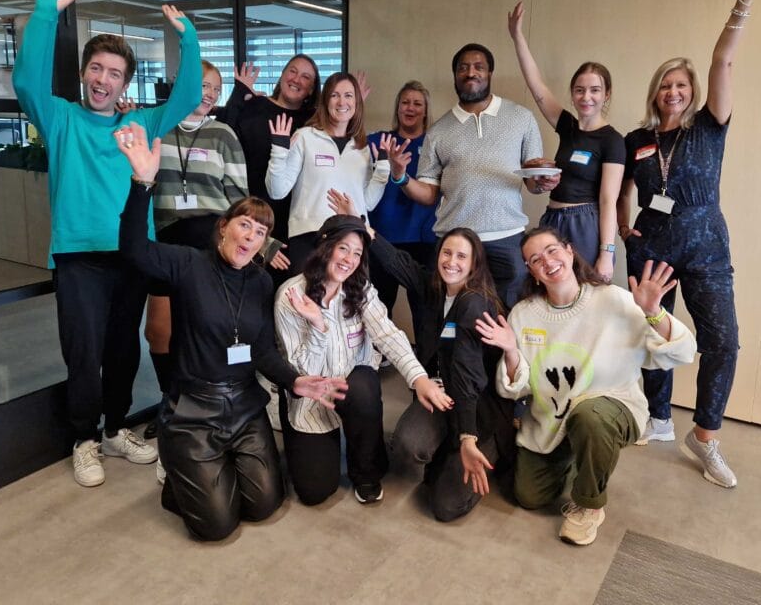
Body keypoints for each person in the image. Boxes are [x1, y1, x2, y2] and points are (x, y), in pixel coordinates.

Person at [12, 0, 202, 487]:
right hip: (77, 257)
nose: (103, 79)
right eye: (96, 68)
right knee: (84, 352)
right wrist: (46, 12)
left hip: (130, 256)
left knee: (123, 349)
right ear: (83, 74)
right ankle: (84, 439)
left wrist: (188, 37)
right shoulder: (59, 118)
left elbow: (186, 100)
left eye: (114, 73)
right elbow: (26, 79)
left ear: (125, 82)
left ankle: (117, 429)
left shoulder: (137, 124)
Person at [114, 121, 347, 541]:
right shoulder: (188, 265)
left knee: (263, 506)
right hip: (193, 410)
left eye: (261, 232)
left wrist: (297, 382)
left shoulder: (259, 282)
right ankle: (180, 476)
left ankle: (208, 472)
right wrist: (141, 183)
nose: (251, 237)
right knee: (217, 527)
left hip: (244, 406)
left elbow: (261, 351)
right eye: (245, 225)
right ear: (224, 226)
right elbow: (134, 250)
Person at [616, 0, 760, 488]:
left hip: (706, 246)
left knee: (722, 340)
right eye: (664, 85)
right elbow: (622, 190)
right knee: (653, 334)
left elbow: (723, 59)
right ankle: (655, 416)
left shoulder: (709, 127)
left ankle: (704, 436)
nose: (672, 92)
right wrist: (626, 226)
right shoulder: (637, 140)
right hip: (650, 247)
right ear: (654, 91)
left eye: (681, 85)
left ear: (692, 92)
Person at [476, 227, 696, 545]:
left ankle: (588, 505)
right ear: (531, 271)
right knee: (529, 497)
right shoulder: (524, 314)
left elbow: (682, 351)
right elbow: (514, 389)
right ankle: (578, 454)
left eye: (552, 251)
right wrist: (511, 350)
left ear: (569, 251)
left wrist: (653, 313)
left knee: (590, 415)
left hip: (611, 406)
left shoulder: (613, 299)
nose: (548, 262)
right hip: (551, 420)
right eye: (536, 259)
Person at [143, 60, 286, 429]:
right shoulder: (157, 126)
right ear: (182, 84)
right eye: (202, 84)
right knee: (159, 331)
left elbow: (241, 202)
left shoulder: (223, 134)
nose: (208, 93)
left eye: (215, 88)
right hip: (167, 241)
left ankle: (213, 397)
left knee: (204, 327)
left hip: (211, 244)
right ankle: (170, 399)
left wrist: (264, 245)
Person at [274, 214, 453, 506]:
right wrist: (318, 325)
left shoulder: (361, 290)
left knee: (364, 383)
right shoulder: (291, 296)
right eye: (343, 248)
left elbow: (388, 335)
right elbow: (300, 370)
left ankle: (366, 470)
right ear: (324, 246)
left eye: (357, 252)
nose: (349, 259)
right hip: (312, 399)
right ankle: (312, 439)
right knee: (314, 491)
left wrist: (419, 378)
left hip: (354, 392)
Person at [382, 43, 558, 307]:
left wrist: (543, 182)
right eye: (463, 68)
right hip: (455, 244)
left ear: (489, 73)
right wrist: (401, 176)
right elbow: (429, 194)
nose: (471, 73)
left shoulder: (522, 118)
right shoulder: (439, 131)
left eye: (478, 67)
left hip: (506, 239)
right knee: (454, 322)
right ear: (455, 75)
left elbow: (532, 183)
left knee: (509, 316)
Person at [371, 221, 515, 521]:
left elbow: (467, 377)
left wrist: (467, 437)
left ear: (475, 263)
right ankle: (450, 448)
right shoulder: (433, 288)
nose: (451, 261)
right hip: (439, 395)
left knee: (445, 507)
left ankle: (482, 447)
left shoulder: (476, 305)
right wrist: (364, 229)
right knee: (406, 446)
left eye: (461, 256)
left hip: (476, 409)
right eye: (446, 253)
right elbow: (398, 262)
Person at [507, 4, 625, 282]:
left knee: (585, 293)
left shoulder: (613, 140)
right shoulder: (568, 127)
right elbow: (537, 88)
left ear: (606, 94)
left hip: (585, 223)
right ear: (572, 94)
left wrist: (606, 253)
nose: (587, 97)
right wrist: (517, 37)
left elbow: (609, 200)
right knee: (548, 292)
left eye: (595, 90)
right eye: (580, 90)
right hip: (553, 219)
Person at [267, 72, 389, 274]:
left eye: (349, 95)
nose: (342, 102)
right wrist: (279, 151)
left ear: (357, 102)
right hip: (309, 237)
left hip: (352, 239)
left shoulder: (362, 147)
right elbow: (277, 191)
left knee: (350, 304)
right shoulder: (305, 137)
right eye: (334, 95)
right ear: (325, 100)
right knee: (306, 303)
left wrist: (382, 171)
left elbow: (367, 203)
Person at [215, 56, 321, 270]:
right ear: (282, 75)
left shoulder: (314, 122)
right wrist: (238, 92)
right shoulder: (253, 107)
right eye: (292, 71)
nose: (297, 79)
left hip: (293, 227)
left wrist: (352, 103)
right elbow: (221, 136)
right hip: (250, 217)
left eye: (305, 77)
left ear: (311, 89)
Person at [365, 82, 438, 334]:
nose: (410, 108)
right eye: (405, 102)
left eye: (417, 103)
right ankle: (378, 358)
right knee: (380, 303)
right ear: (397, 108)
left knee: (424, 304)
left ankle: (427, 363)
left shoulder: (434, 144)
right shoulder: (376, 141)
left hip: (423, 237)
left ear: (426, 111)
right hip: (382, 236)